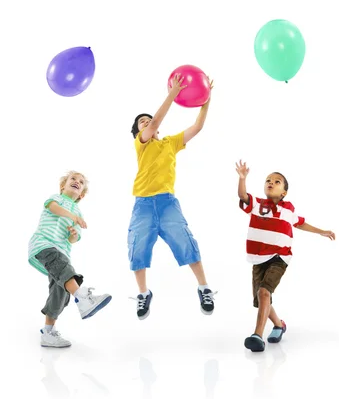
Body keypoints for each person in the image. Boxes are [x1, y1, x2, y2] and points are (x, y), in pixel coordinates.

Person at [128, 73, 215, 320]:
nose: (147, 123)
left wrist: (206, 98)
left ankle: (204, 287)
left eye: (148, 120)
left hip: (167, 203)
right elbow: (155, 123)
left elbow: (197, 127)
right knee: (137, 249)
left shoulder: (169, 143)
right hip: (143, 204)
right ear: (138, 131)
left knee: (186, 242)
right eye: (142, 123)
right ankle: (144, 293)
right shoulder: (141, 143)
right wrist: (173, 93)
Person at [236, 160, 335, 352]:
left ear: (284, 193)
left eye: (277, 181)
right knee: (261, 298)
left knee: (265, 292)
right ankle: (279, 325)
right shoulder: (257, 204)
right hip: (258, 258)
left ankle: (257, 335)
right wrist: (242, 179)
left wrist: (321, 231)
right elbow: (242, 196)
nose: (271, 182)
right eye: (268, 180)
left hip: (279, 258)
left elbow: (300, 223)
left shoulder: (288, 209)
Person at [28, 171, 112, 348]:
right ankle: (83, 298)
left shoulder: (78, 211)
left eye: (80, 182)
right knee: (66, 271)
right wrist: (73, 217)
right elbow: (52, 208)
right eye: (72, 179)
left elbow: (74, 239)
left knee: (59, 291)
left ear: (81, 194)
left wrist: (73, 233)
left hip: (62, 251)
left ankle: (48, 332)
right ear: (62, 186)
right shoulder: (57, 199)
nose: (76, 182)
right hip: (44, 244)